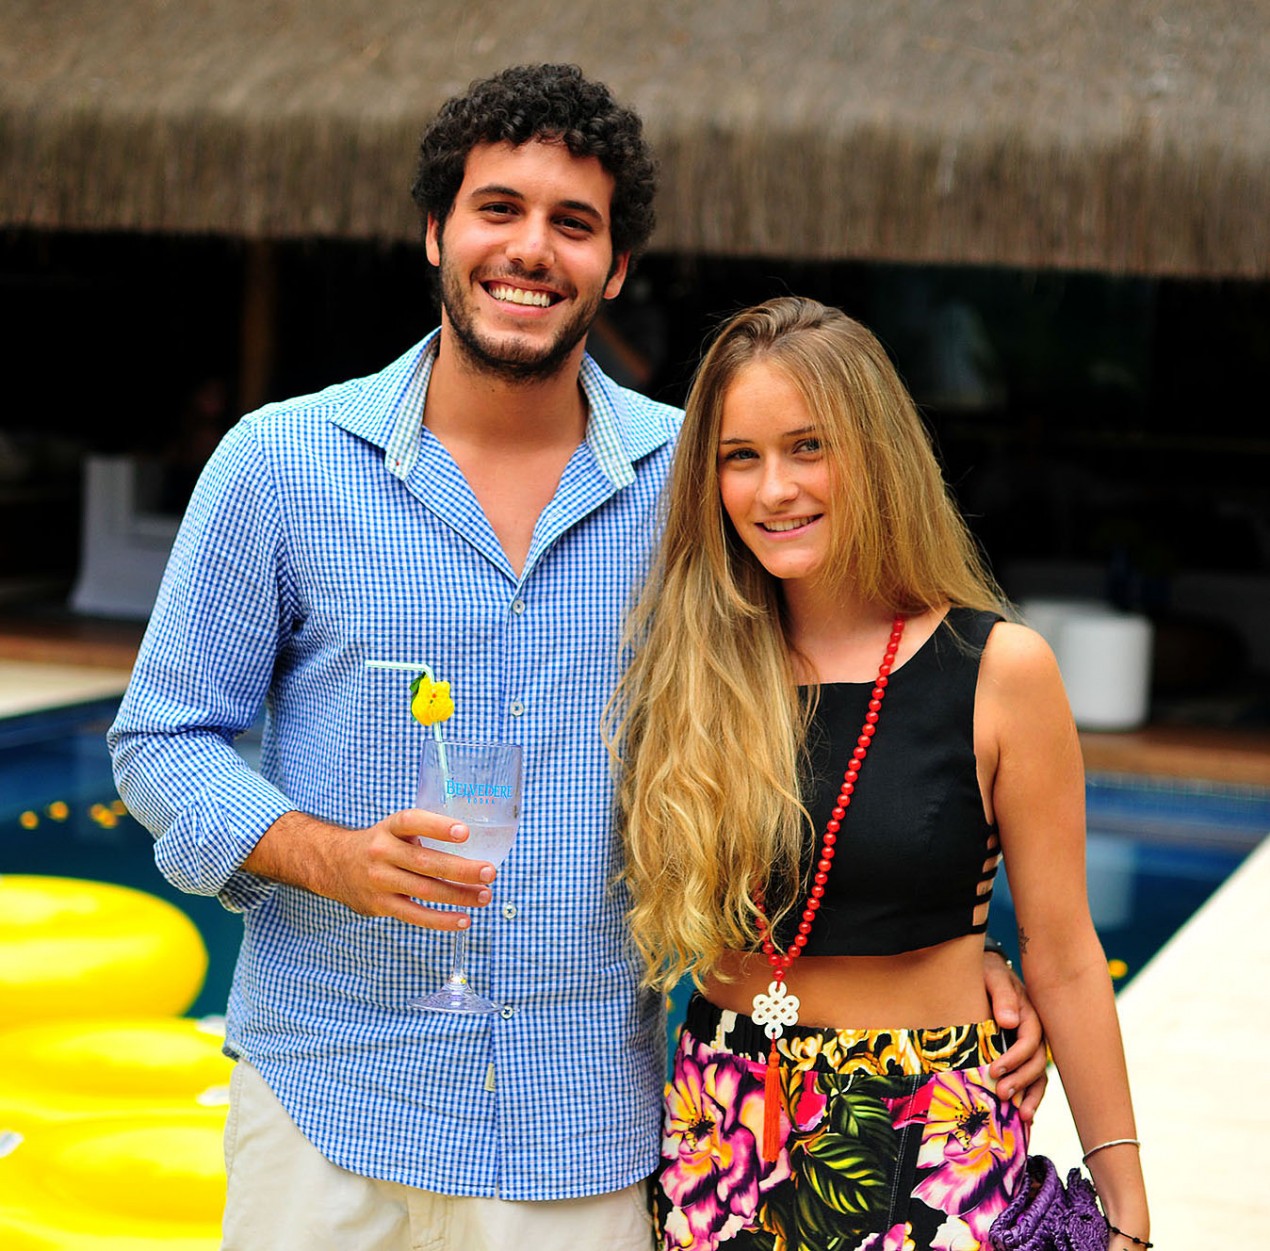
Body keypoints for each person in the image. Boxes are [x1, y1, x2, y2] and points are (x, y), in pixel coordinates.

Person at [108, 67, 1048, 1251]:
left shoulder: (697, 484)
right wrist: (324, 854)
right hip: (325, 1105)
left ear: (615, 268)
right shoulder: (278, 465)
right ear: (436, 232)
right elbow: (162, 738)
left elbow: (846, 700)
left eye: (573, 223)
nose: (530, 249)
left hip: (581, 1130)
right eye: (498, 209)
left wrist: (947, 959)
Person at [611, 298, 1150, 1251]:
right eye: (740, 457)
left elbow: (1066, 953)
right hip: (720, 1127)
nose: (774, 488)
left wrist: (1128, 1209)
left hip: (929, 1124)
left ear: (875, 453)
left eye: (807, 447)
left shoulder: (998, 669)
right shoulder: (689, 668)